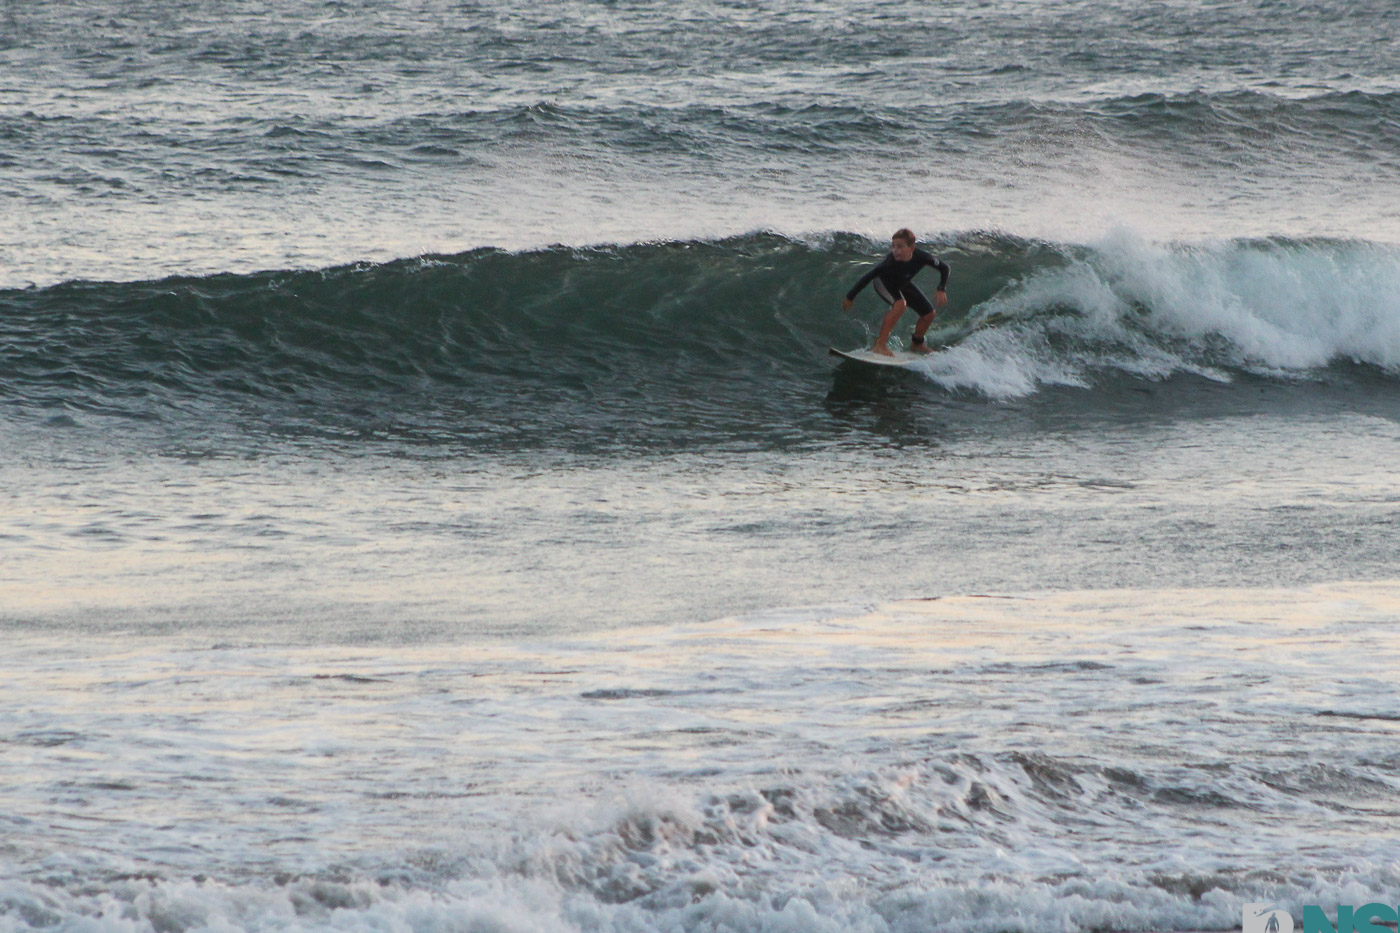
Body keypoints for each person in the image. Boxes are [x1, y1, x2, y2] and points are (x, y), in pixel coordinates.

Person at [842, 228, 950, 356]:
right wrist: (850, 297)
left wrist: (941, 288)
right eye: (893, 246)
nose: (895, 251)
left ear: (911, 248)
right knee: (900, 304)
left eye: (900, 247)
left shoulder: (921, 257)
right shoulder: (889, 262)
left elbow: (945, 268)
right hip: (883, 283)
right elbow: (868, 277)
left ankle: (917, 344)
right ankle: (880, 345)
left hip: (902, 283)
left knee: (929, 314)